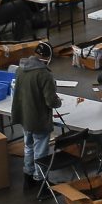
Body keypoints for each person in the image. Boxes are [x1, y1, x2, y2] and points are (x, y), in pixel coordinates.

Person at [12, 42, 61, 193]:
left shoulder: (20, 68)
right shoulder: (44, 74)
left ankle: (28, 176)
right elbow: (51, 101)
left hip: (24, 115)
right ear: (47, 57)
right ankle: (40, 180)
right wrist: (58, 102)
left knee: (28, 146)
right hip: (39, 118)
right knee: (41, 149)